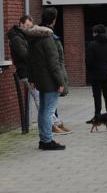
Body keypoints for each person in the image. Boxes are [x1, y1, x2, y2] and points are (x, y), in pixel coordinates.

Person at [25, 8, 66, 150]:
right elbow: (53, 62)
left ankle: (43, 139)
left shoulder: (34, 37)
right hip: (50, 80)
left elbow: (30, 60)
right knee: (48, 111)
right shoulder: (48, 38)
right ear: (54, 19)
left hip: (40, 79)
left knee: (43, 110)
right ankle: (47, 140)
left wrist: (32, 78)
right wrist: (60, 82)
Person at [7, 15, 40, 125]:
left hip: (31, 72)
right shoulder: (17, 38)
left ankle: (52, 124)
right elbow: (24, 55)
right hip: (26, 73)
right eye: (26, 26)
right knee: (38, 98)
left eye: (30, 26)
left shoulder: (24, 36)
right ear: (21, 24)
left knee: (39, 98)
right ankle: (50, 125)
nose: (28, 28)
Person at [86, 24, 107, 123]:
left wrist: (91, 71)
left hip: (95, 75)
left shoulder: (92, 45)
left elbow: (88, 61)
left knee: (97, 96)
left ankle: (97, 117)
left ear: (96, 33)